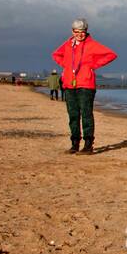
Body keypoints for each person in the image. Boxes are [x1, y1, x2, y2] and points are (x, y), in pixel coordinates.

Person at [51, 18, 117, 154]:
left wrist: (92, 65)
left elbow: (111, 55)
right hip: (69, 85)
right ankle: (74, 144)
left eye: (82, 31)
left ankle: (88, 145)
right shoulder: (68, 44)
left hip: (86, 85)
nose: (80, 34)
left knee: (86, 114)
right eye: (77, 31)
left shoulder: (92, 44)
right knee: (73, 115)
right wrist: (67, 65)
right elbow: (56, 54)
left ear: (86, 31)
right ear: (72, 31)